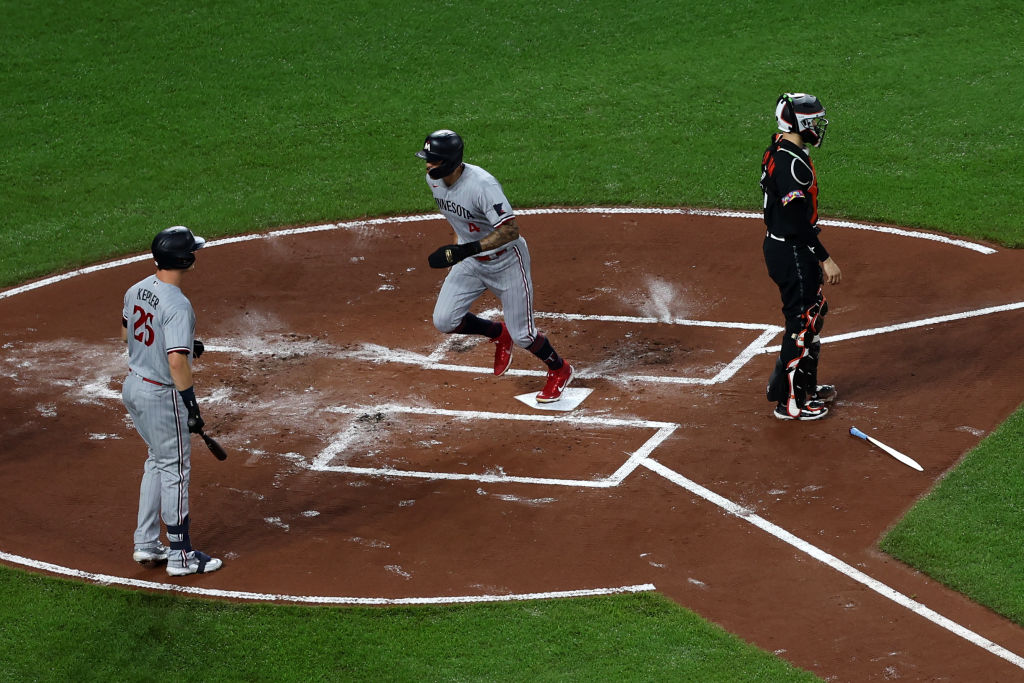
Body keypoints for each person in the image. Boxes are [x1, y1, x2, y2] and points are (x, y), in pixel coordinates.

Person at [415, 129, 574, 402]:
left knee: (524, 335)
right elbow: (457, 219)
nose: (428, 165)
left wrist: (467, 249)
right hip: (471, 262)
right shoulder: (435, 181)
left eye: (434, 160)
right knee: (444, 320)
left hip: (507, 263)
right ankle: (499, 333)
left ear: (451, 161)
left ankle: (560, 370)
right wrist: (459, 250)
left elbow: (510, 230)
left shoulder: (482, 186)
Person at [121, 226, 223, 575]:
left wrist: (177, 343)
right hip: (162, 397)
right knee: (176, 471)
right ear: (185, 259)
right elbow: (177, 362)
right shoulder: (178, 304)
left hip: (134, 387)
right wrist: (192, 407)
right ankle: (182, 557)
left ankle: (146, 544)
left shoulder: (136, 289)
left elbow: (127, 333)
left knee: (157, 461)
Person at [760, 93, 842, 421]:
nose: (818, 126)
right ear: (799, 123)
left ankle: (805, 386)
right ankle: (790, 402)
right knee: (801, 323)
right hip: (792, 248)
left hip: (790, 246)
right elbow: (795, 220)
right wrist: (824, 258)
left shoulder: (783, 149)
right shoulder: (791, 163)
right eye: (814, 120)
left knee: (813, 313)